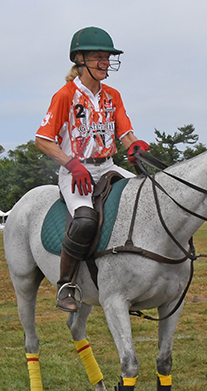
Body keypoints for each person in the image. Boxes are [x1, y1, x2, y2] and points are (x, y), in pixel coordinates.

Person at [36, 26, 150, 313]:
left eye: (107, 57)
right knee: (85, 221)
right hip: (76, 172)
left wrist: (136, 147)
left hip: (109, 166)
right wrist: (72, 164)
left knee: (147, 195)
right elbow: (43, 139)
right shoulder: (65, 95)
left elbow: (125, 134)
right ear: (79, 59)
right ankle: (67, 284)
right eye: (99, 56)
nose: (105, 62)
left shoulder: (113, 95)